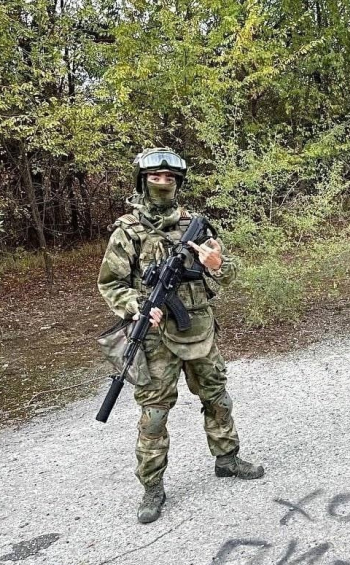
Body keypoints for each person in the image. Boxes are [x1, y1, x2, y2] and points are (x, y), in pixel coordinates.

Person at [97, 148, 263, 524]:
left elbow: (228, 272)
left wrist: (216, 264)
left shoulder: (196, 226)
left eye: (169, 178)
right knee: (154, 415)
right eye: (155, 178)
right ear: (143, 182)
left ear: (178, 183)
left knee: (217, 397)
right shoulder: (128, 231)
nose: (163, 184)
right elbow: (110, 283)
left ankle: (227, 458)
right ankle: (152, 488)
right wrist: (137, 306)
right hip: (155, 338)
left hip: (199, 327)